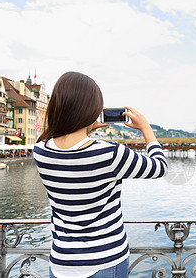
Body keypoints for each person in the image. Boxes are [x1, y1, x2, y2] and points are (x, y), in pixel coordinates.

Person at [33, 72, 168, 277]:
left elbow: (67, 148)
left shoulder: (40, 152)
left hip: (61, 263)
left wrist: (84, 127)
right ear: (91, 110)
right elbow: (159, 167)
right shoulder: (110, 153)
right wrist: (145, 128)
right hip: (105, 261)